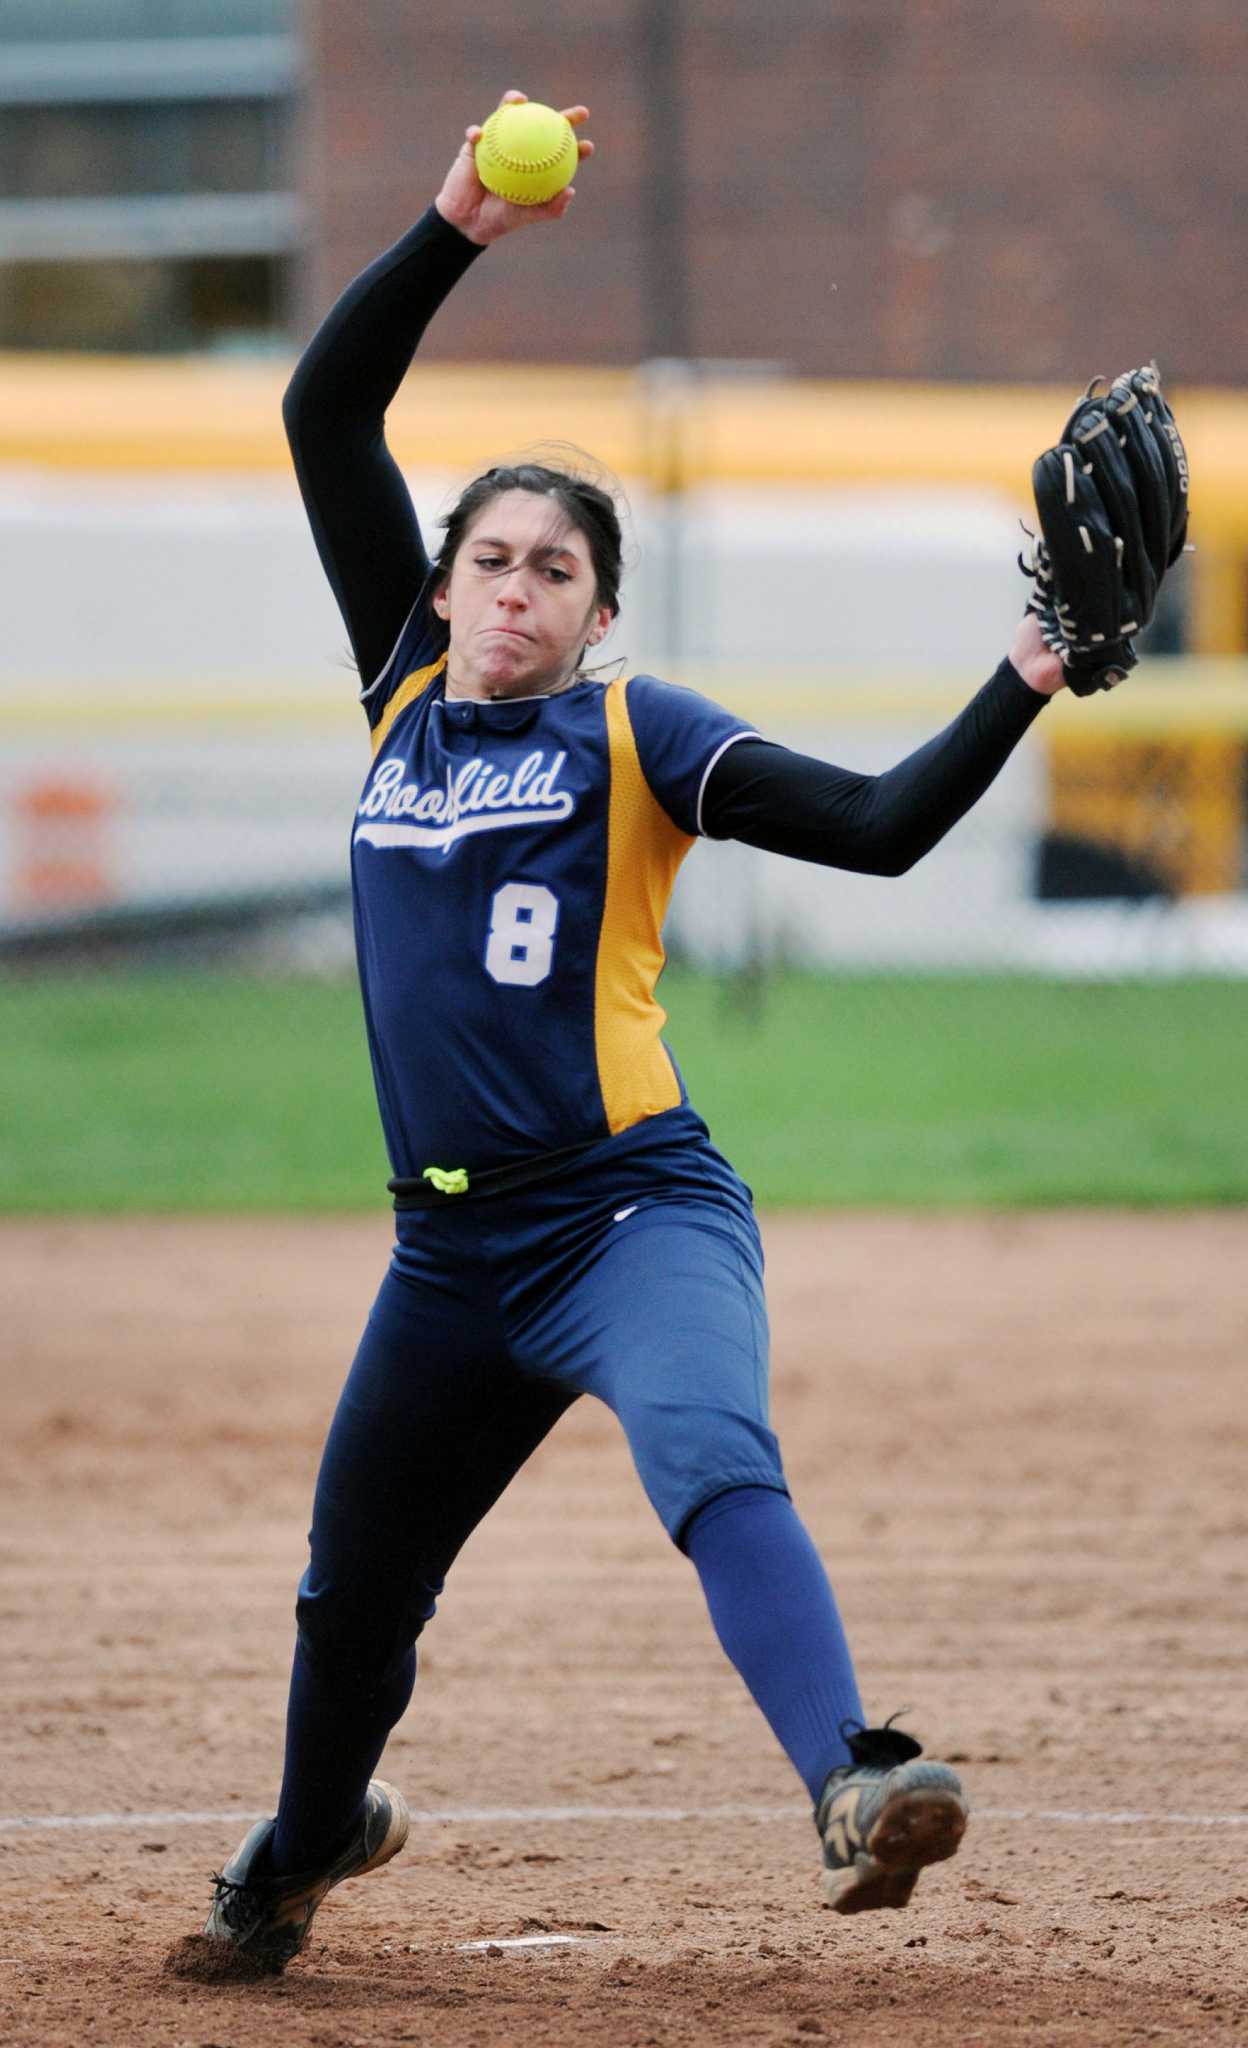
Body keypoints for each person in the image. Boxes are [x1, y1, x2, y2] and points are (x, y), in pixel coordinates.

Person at [200, 91, 1068, 1973]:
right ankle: (303, 1847)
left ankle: (854, 1775)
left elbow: (881, 827)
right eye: (490, 560)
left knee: (705, 1443)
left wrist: (1030, 671)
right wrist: (455, 224)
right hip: (447, 1253)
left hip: (627, 1214)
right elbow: (322, 418)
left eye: (556, 571)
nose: (515, 591)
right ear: (442, 588)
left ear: (601, 615)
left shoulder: (637, 731)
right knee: (354, 1603)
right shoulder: (402, 696)